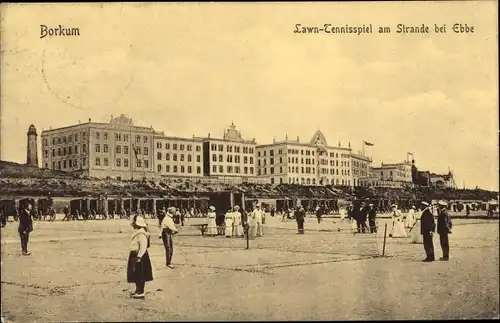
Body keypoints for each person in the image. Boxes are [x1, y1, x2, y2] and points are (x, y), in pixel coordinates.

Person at [127, 215, 153, 299]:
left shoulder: (141, 234)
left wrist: (139, 256)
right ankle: (138, 290)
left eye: (134, 222)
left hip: (139, 256)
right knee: (135, 274)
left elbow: (143, 246)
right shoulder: (138, 232)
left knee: (140, 274)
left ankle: (140, 292)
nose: (132, 224)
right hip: (135, 255)